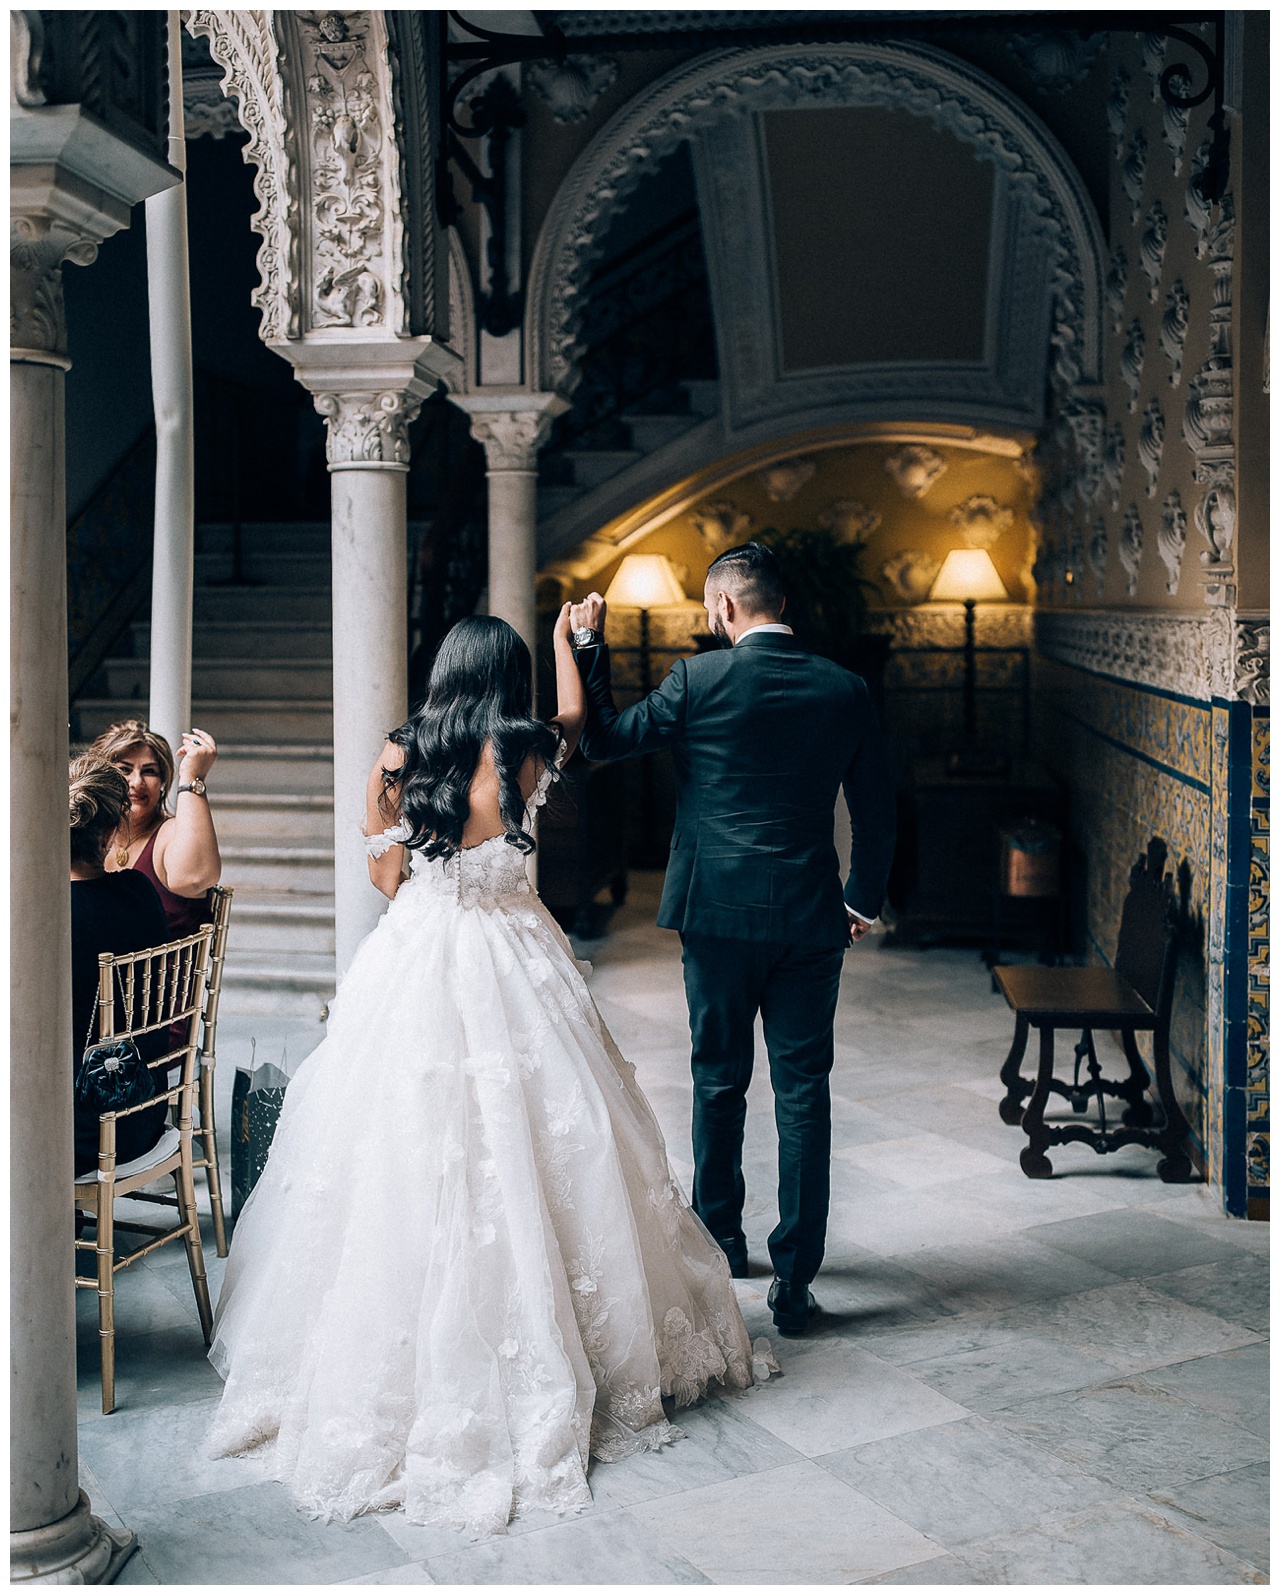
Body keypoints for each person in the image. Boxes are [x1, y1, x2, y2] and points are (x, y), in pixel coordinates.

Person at [206, 607, 756, 1536]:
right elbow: (580, 728)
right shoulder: (529, 748)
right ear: (508, 678)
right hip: (516, 955)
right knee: (558, 1141)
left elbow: (384, 882)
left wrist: (437, 880)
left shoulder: (396, 756)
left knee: (400, 1151)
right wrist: (561, 647)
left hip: (417, 955)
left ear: (442, 671)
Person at [569, 540, 897, 1338]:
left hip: (715, 917)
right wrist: (860, 900)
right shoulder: (844, 688)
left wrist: (589, 647)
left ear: (723, 607)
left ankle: (721, 1245)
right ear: (783, 605)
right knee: (802, 1089)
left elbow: (605, 740)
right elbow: (880, 808)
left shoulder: (698, 679)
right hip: (811, 917)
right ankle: (796, 1275)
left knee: (719, 1082)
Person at [69, 756, 171, 1177]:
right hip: (137, 1112)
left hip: (67, 1135)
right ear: (113, 829)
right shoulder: (139, 891)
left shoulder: (40, 914)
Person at [88, 719, 221, 937]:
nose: (136, 782)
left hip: (160, 970)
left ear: (162, 783)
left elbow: (194, 878)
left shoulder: (169, 832)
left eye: (149, 771)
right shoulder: (89, 835)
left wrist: (192, 778)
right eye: (124, 769)